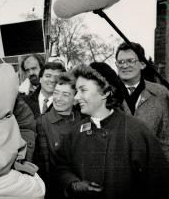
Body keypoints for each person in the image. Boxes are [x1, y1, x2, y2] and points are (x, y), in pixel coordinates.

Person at [54, 64, 169, 199]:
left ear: (105, 92)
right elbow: (60, 167)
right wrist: (73, 184)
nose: (76, 97)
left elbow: (158, 184)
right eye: (76, 91)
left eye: (83, 90)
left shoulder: (136, 131)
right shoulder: (75, 133)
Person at [115, 42, 169, 160]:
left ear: (143, 64)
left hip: (151, 170)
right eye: (120, 62)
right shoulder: (107, 94)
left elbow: (165, 140)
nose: (124, 66)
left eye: (130, 61)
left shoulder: (160, 94)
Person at [33, 72, 83, 199]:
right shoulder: (42, 123)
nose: (58, 98)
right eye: (56, 92)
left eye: (65, 94)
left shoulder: (85, 120)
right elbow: (44, 169)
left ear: (75, 98)